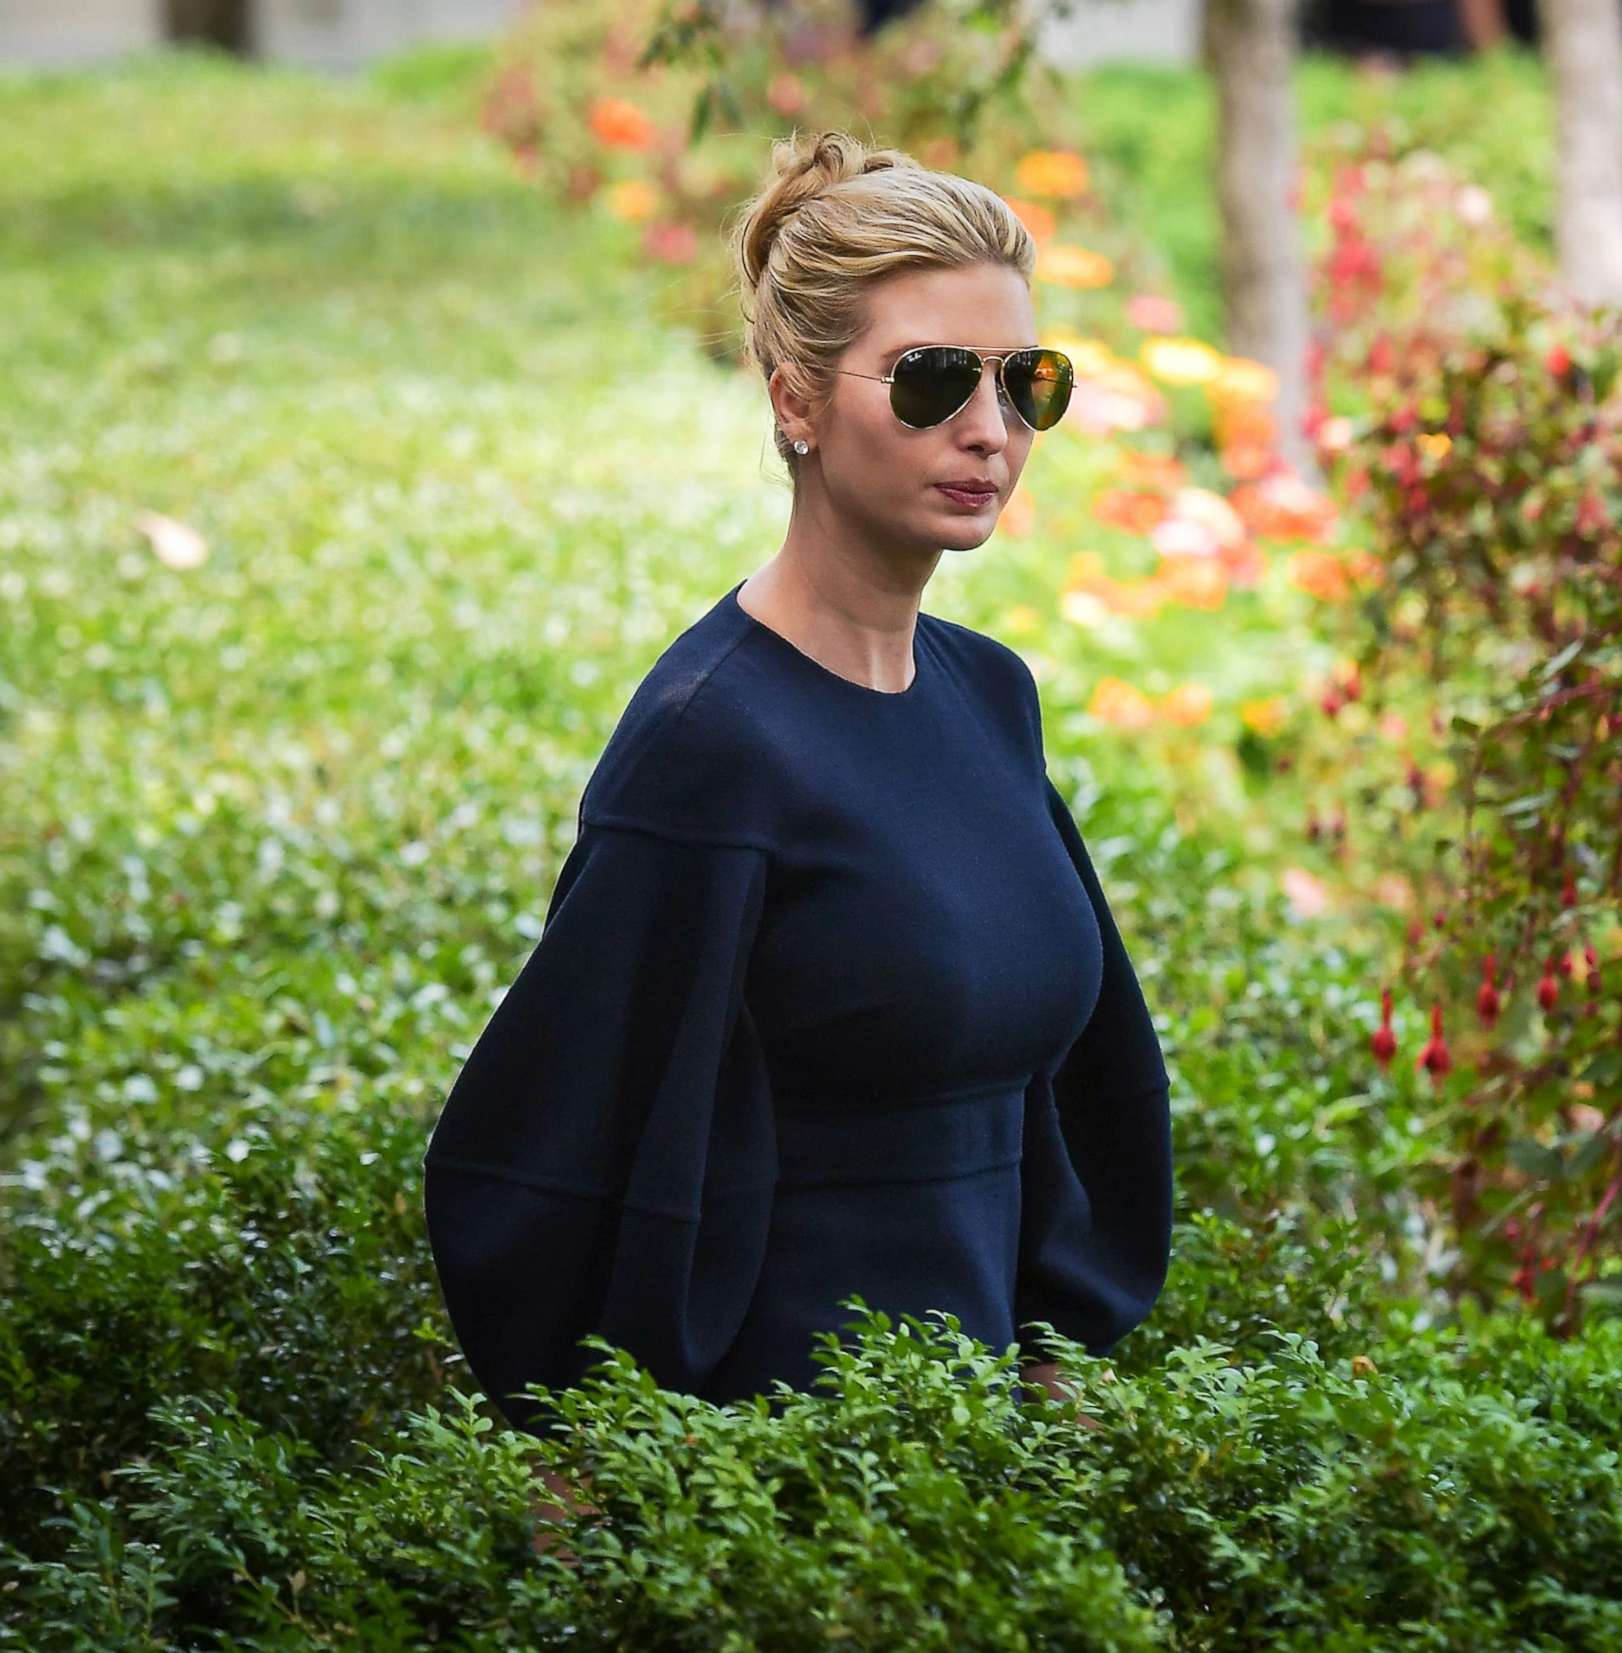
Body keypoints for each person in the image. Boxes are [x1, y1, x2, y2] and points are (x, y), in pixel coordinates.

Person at [417, 132, 1175, 1509]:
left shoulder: (988, 696)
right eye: (935, 380)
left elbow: (1067, 1089)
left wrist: (1060, 1364)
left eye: (1027, 383)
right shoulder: (710, 745)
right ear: (795, 403)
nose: (989, 430)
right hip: (782, 1497)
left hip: (995, 1486)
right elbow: (547, 1155)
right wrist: (625, 1487)